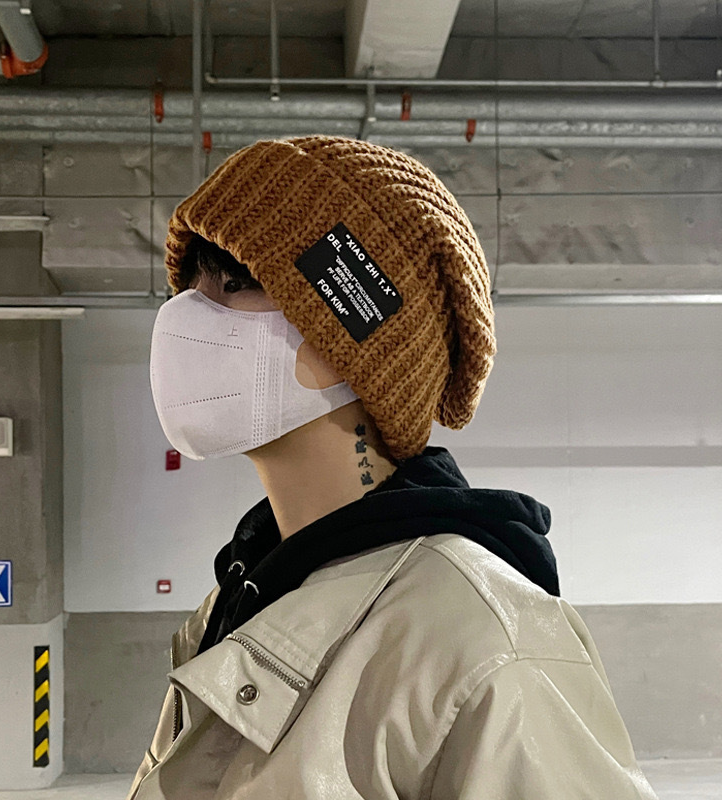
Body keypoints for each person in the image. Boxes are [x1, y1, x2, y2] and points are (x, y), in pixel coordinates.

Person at [127, 135, 659, 799]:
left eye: (235, 283)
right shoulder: (238, 600)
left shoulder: (485, 646)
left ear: (354, 341)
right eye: (189, 286)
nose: (181, 316)